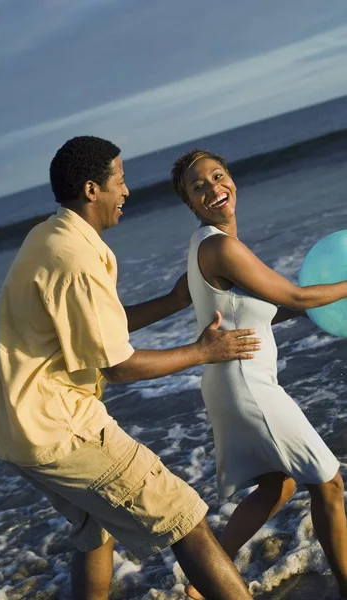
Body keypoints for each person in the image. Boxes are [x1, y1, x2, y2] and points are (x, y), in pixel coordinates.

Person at [0, 136, 262, 600]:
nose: (127, 191)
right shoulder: (76, 258)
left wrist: (175, 301)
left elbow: (95, 329)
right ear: (93, 189)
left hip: (19, 429)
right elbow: (119, 367)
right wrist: (203, 351)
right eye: (120, 180)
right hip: (61, 427)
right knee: (184, 516)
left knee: (95, 531)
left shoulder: (49, 236)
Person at [171, 148, 347, 600]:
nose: (212, 188)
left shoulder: (203, 244)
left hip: (231, 383)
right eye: (198, 186)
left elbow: (265, 311)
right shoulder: (220, 246)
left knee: (279, 483)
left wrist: (322, 305)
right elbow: (298, 297)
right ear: (189, 202)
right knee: (329, 483)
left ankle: (201, 584)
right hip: (247, 385)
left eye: (218, 176)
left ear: (232, 179)